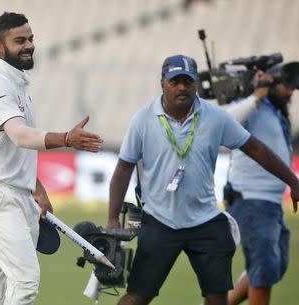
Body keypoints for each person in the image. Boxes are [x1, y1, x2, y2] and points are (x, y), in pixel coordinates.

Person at [107, 54, 299, 305]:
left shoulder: (215, 116)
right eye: (175, 81)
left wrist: (292, 181)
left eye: (188, 81)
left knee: (217, 298)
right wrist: (112, 218)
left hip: (205, 220)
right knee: (137, 297)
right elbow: (123, 169)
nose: (182, 87)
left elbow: (255, 149)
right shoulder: (142, 119)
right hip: (159, 219)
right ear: (162, 82)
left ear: (196, 83)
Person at [0, 12, 103, 305]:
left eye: (30, 39)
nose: (28, 45)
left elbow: (13, 149)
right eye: (19, 40)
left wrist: (36, 188)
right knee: (26, 281)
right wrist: (66, 138)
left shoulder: (18, 84)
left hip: (18, 192)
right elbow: (20, 136)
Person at [225, 63, 299, 305]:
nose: (290, 92)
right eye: (285, 86)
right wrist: (255, 97)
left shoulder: (276, 110)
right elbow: (224, 123)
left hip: (270, 202)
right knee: (263, 270)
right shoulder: (252, 106)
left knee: (274, 265)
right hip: (250, 200)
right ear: (270, 83)